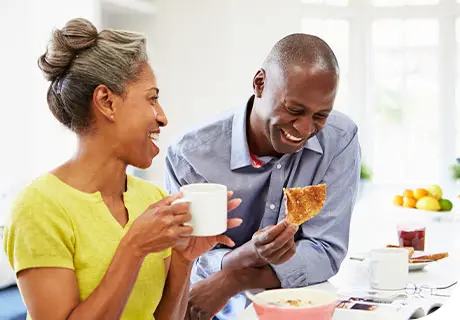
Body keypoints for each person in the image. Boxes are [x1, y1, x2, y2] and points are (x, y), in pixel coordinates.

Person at [3, 18, 242, 320]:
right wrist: (134, 248)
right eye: (152, 99)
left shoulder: (152, 198)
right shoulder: (39, 207)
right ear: (106, 102)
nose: (162, 117)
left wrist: (184, 259)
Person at [165, 33, 361, 319]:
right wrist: (245, 256)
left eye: (320, 116)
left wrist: (235, 279)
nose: (305, 129)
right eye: (295, 110)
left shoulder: (340, 139)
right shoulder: (192, 155)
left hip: (298, 307)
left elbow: (326, 251)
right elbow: (187, 257)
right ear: (260, 83)